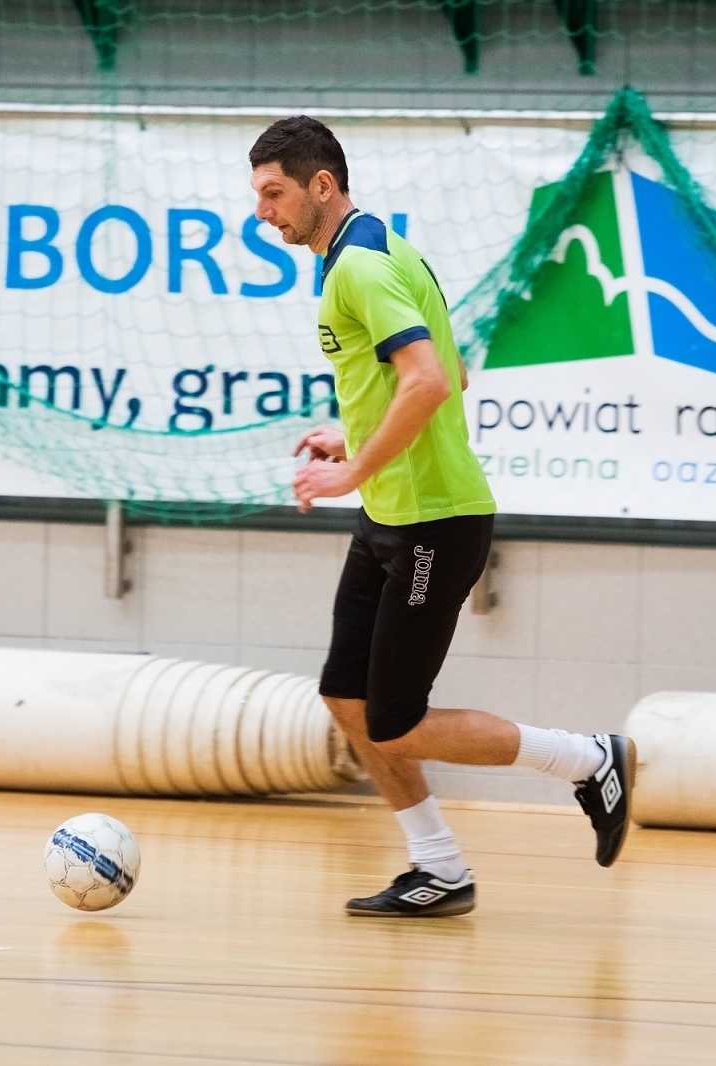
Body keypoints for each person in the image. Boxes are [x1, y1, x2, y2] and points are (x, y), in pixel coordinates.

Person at [248, 116, 635, 918]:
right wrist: (346, 433)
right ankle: (439, 867)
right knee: (345, 698)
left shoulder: (357, 268)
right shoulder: (381, 248)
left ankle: (588, 758)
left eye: (274, 194)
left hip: (434, 522)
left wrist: (354, 467)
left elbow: (428, 381)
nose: (264, 214)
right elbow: (452, 369)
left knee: (395, 721)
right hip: (390, 518)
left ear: (322, 185)